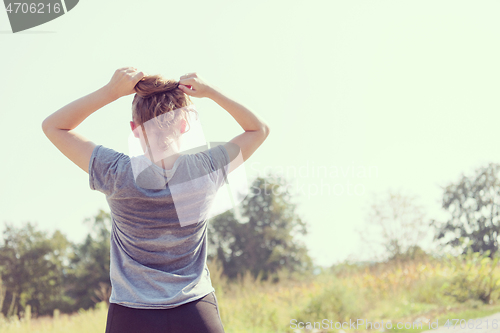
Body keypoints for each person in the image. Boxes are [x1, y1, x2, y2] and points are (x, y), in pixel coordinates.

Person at [41, 67, 270, 333]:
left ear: (134, 130)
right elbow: (259, 129)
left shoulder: (116, 171)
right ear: (185, 124)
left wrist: (110, 92)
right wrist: (210, 92)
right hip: (195, 310)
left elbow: (53, 126)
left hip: (131, 315)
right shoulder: (206, 167)